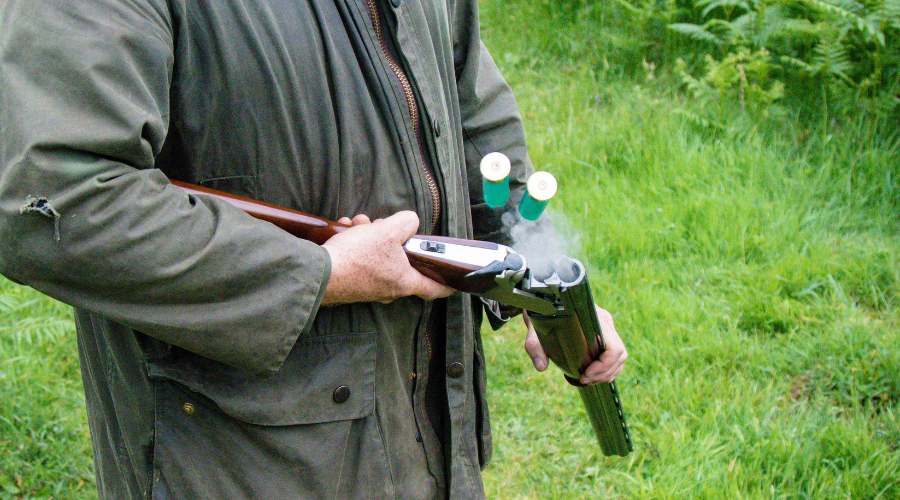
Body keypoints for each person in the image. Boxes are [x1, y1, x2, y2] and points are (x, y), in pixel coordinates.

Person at [0, 0, 627, 497]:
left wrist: (536, 274)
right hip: (236, 460)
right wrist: (319, 273)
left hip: (431, 426)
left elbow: (469, 109)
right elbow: (51, 198)